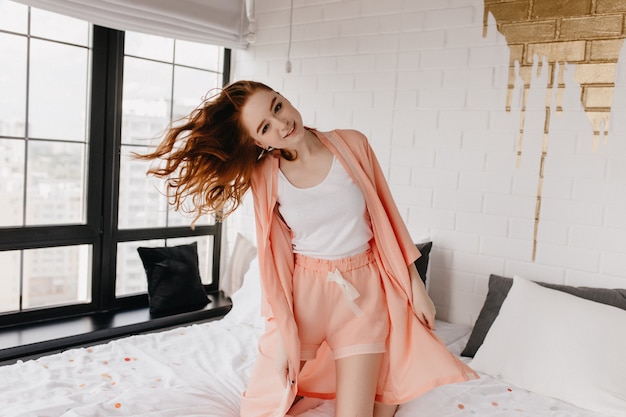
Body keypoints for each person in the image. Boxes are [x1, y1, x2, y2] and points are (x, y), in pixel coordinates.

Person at [139, 80, 478, 417]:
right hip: (306, 296)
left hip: (362, 296)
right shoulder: (265, 175)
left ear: (284, 97)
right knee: (263, 406)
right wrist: (285, 334)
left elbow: (388, 219)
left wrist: (416, 287)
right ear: (257, 141)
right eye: (266, 127)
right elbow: (273, 258)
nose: (283, 123)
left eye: (277, 106)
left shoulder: (352, 144)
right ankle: (304, 392)